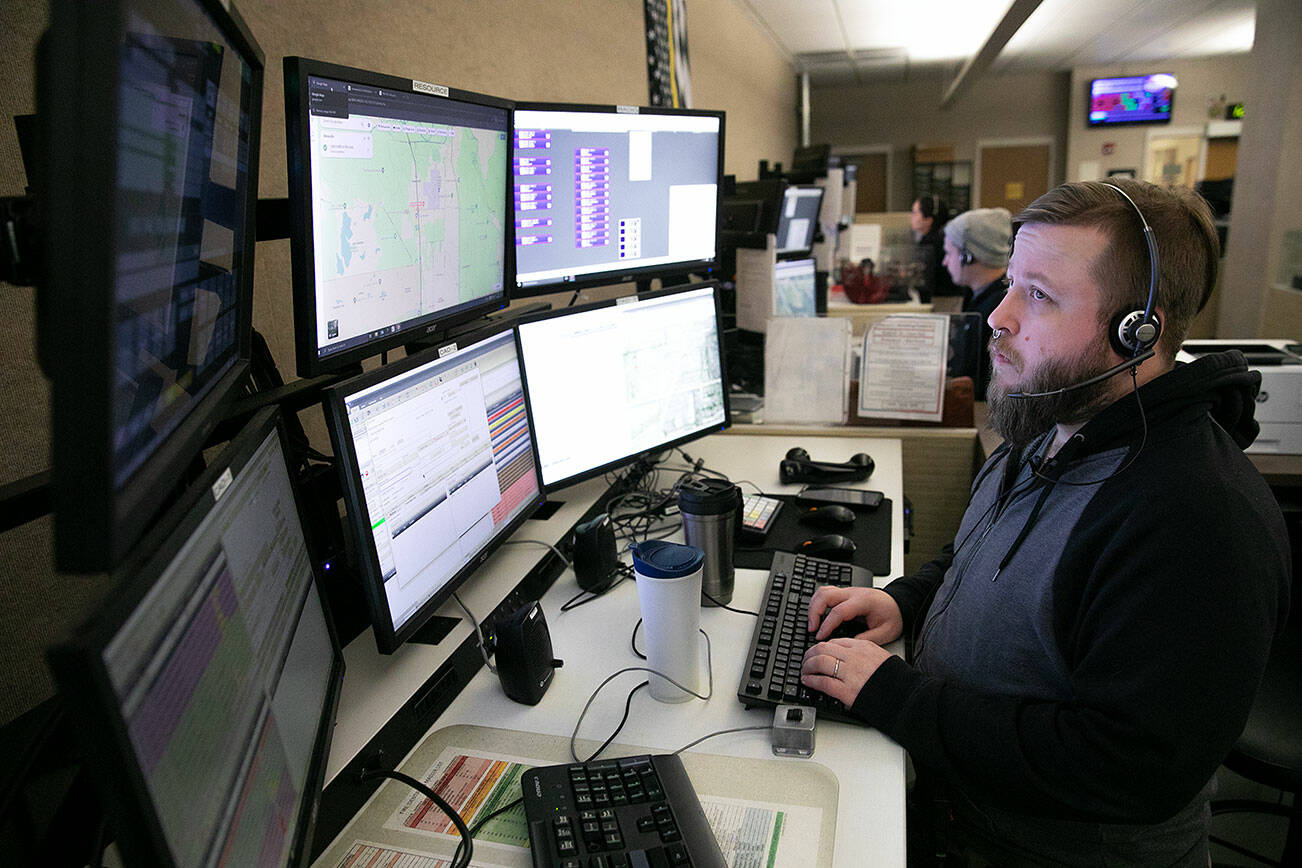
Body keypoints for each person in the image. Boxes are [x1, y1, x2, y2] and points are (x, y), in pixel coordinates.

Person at [800, 179, 1291, 866]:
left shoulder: (1196, 520)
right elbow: (982, 549)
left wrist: (897, 696)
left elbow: (1124, 768)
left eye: (1040, 295)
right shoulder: (1061, 418)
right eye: (1010, 284)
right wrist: (905, 602)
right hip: (961, 805)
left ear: (1136, 332)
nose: (999, 316)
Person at [942, 207, 1013, 399]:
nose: (945, 262)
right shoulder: (978, 297)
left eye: (949, 253)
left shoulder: (995, 310)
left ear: (968, 256)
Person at [910, 195, 960, 301]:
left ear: (928, 220)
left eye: (915, 213)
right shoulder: (934, 238)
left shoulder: (933, 243)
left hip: (944, 300)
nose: (911, 217)